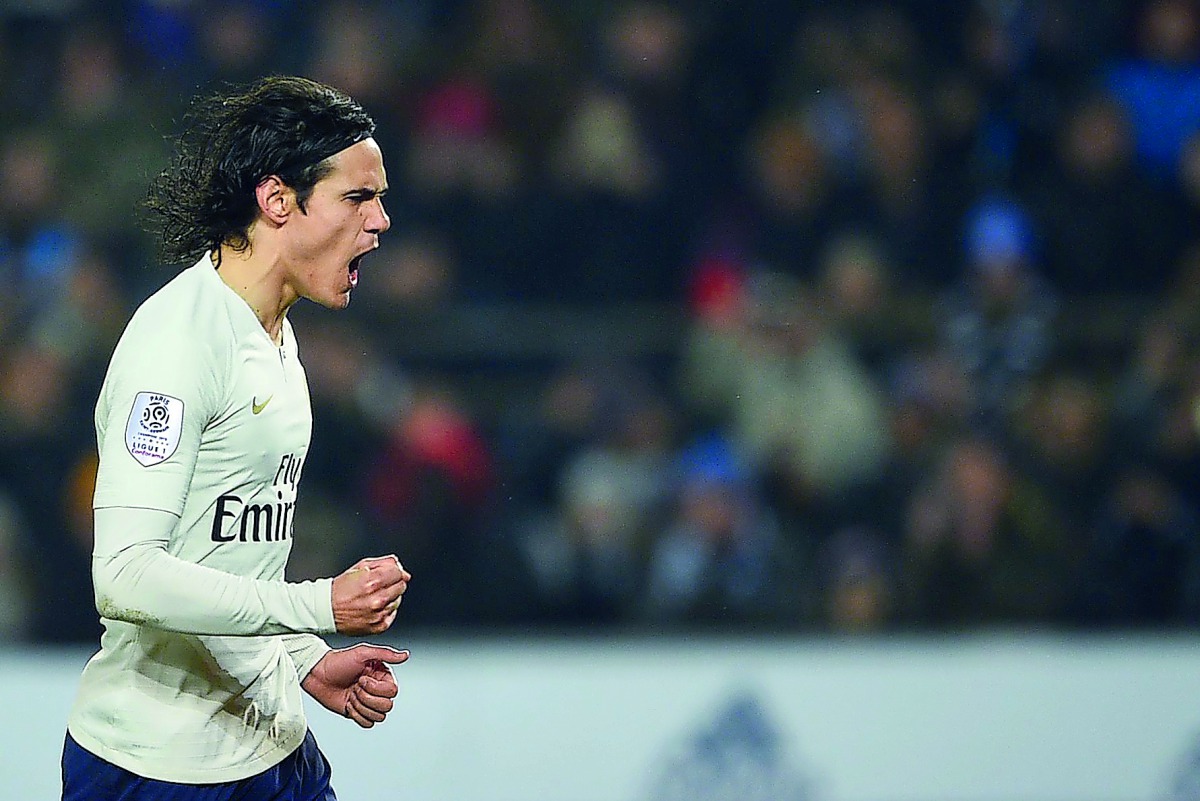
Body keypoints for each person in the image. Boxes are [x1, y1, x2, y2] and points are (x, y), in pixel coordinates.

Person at [60, 76, 410, 800]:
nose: (379, 221)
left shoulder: (277, 336)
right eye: (357, 197)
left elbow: (224, 553)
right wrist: (319, 607)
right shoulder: (178, 345)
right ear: (278, 199)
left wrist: (303, 657)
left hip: (270, 746)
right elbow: (123, 573)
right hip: (158, 766)